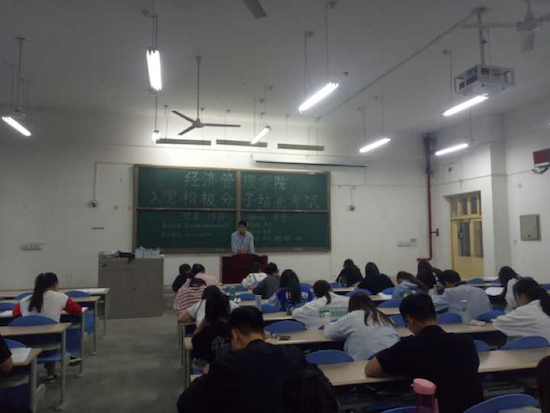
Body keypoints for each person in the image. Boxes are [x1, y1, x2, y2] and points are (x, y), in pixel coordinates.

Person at [177, 307, 310, 413]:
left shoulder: (225, 365)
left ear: (235, 334)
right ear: (263, 333)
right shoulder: (293, 356)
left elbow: (185, 404)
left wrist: (207, 374)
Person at [365, 294, 483, 413]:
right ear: (436, 316)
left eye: (406, 323)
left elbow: (370, 369)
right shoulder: (466, 342)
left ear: (411, 320)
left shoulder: (408, 346)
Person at [13, 273, 83, 382]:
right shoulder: (61, 297)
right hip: (51, 346)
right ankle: (51, 372)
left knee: (42, 334)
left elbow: (15, 315)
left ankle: (33, 376)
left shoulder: (24, 301)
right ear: (55, 284)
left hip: (27, 347)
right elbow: (78, 311)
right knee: (53, 333)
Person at [325, 293, 400, 360]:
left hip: (367, 361)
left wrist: (327, 323)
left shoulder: (352, 316)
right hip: (395, 357)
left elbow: (329, 332)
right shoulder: (383, 316)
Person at [494, 277, 550, 342]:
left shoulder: (527, 310)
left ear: (523, 296)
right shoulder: (544, 304)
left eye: (517, 297)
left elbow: (498, 323)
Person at [191, 290, 232, 366]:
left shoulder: (205, 333)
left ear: (208, 310)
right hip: (233, 369)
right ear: (227, 308)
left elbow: (194, 341)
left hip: (212, 369)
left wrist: (205, 319)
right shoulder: (235, 329)